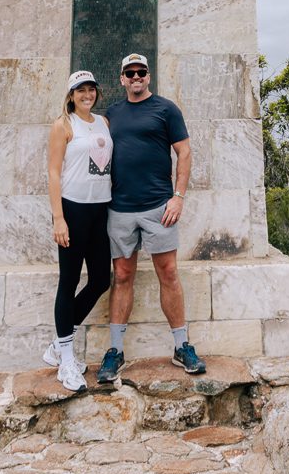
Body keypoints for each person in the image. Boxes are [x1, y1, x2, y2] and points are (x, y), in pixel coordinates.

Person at [96, 53, 206, 382]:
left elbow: (184, 152)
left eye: (140, 72)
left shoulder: (166, 109)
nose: (135, 77)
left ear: (148, 75)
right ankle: (115, 350)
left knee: (168, 272)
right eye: (129, 73)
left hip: (159, 207)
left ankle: (181, 345)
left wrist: (178, 196)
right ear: (122, 79)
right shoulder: (112, 114)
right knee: (123, 275)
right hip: (120, 209)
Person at [44, 69, 113, 392]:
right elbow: (54, 174)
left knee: (101, 279)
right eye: (80, 90)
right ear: (71, 95)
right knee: (69, 281)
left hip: (101, 209)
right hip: (73, 209)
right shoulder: (63, 125)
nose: (87, 94)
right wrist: (59, 218)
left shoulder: (103, 123)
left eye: (91, 89)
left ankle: (59, 342)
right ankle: (67, 360)